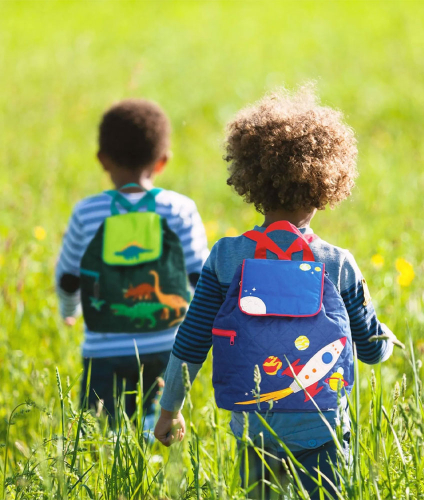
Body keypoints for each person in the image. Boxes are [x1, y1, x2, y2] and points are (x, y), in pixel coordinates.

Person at [154, 86, 396, 498]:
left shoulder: (227, 257)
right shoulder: (337, 263)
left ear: (252, 181)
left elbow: (191, 342)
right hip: (322, 428)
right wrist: (388, 341)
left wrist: (170, 409)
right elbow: (371, 348)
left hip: (254, 425)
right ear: (326, 184)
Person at [56, 99, 209, 428]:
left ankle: (112, 479)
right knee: (163, 426)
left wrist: (69, 312)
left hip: (103, 348)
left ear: (102, 160)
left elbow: (68, 277)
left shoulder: (87, 213)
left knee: (103, 433)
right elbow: (200, 275)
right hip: (168, 345)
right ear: (162, 161)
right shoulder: (179, 209)